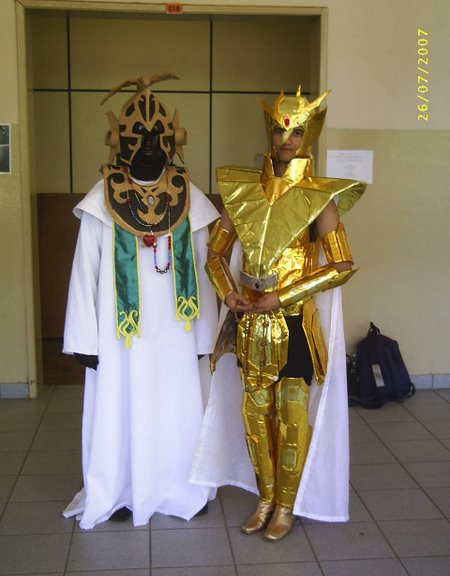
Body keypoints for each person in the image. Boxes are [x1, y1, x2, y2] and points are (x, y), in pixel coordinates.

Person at [190, 86, 366, 541]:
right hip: (249, 321)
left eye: (297, 131)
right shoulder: (243, 191)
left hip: (294, 324)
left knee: (291, 415)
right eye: (279, 129)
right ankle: (265, 498)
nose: (286, 140)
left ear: (309, 135)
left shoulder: (319, 198)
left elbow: (343, 265)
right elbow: (215, 254)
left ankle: (286, 504)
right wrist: (229, 293)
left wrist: (284, 296)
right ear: (269, 131)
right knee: (255, 416)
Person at [63, 74, 219, 529]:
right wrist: (84, 339)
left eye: (157, 135)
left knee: (177, 409)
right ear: (120, 140)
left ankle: (181, 487)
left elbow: (205, 270)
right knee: (120, 409)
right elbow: (85, 271)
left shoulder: (190, 199)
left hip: (177, 334)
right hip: (119, 339)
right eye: (139, 135)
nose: (149, 144)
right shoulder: (101, 200)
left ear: (173, 139)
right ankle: (121, 489)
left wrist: (205, 335)